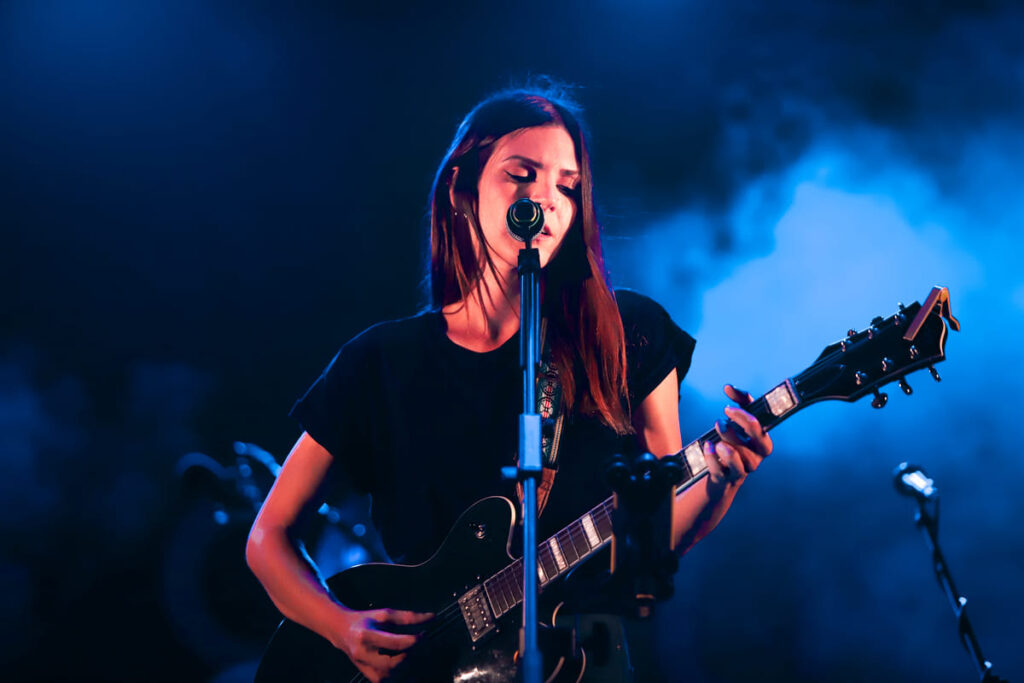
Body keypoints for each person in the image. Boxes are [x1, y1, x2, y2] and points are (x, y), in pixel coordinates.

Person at [246, 84, 773, 682]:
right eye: (523, 175)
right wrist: (343, 628)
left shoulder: (630, 335)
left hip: (581, 663)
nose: (547, 200)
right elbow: (268, 537)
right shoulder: (381, 362)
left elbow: (648, 541)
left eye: (568, 187)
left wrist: (722, 482)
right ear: (461, 189)